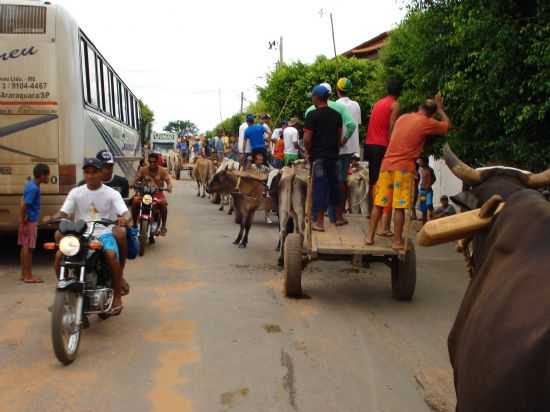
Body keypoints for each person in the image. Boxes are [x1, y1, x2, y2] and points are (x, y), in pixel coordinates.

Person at [366, 94, 451, 250]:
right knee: (399, 206)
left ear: (419, 107)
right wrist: (440, 109)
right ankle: (397, 241)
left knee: (379, 204)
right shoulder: (427, 122)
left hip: (387, 164)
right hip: (404, 168)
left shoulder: (403, 117)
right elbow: (447, 125)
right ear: (432, 113)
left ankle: (369, 237)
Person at [48, 158, 130, 315]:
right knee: (59, 255)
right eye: (87, 172)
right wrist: (54, 217)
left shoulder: (111, 193)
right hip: (81, 234)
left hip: (103, 233)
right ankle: (63, 295)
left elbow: (125, 212)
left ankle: (117, 296)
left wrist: (124, 218)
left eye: (94, 172)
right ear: (84, 174)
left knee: (111, 255)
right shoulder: (76, 192)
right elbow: (64, 212)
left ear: (101, 173)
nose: (91, 175)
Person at [303, 84, 344, 231]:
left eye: (312, 97)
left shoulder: (312, 115)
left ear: (316, 98)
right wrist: (335, 150)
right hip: (333, 157)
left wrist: (308, 152)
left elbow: (307, 139)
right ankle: (338, 218)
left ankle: (319, 223)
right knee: (335, 186)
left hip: (319, 157)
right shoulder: (337, 115)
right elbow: (339, 138)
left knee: (320, 188)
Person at [365, 79, 402, 229]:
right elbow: (392, 125)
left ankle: (371, 214)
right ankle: (383, 223)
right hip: (382, 145)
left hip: (370, 143)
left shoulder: (378, 103)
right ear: (400, 92)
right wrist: (394, 146)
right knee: (385, 182)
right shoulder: (395, 104)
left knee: (373, 181)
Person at [332, 77, 361, 222]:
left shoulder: (335, 105)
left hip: (339, 147)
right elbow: (357, 124)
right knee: (342, 179)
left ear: (337, 91)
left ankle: (337, 213)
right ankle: (340, 211)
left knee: (339, 179)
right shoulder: (356, 105)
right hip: (351, 148)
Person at [18, 163, 50, 284]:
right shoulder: (34, 188)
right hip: (29, 222)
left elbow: (22, 200)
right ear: (42, 176)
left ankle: (23, 274)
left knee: (24, 246)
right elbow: (24, 204)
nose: (48, 178)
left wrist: (21, 219)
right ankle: (28, 276)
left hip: (26, 221)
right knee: (29, 248)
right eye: (47, 176)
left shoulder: (30, 184)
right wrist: (23, 218)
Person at [131, 152, 173, 235]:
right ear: (148, 161)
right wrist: (134, 183)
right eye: (150, 162)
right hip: (144, 193)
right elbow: (136, 178)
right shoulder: (143, 169)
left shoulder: (162, 171)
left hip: (157, 194)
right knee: (135, 202)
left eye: (154, 162)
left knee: (163, 204)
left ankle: (163, 226)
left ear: (158, 162)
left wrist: (169, 187)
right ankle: (135, 224)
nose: (152, 164)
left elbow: (168, 181)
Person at [418, 157, 436, 225]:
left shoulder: (430, 170)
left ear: (425, 162)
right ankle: (424, 223)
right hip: (422, 191)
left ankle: (432, 216)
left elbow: (434, 178)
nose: (419, 163)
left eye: (421, 161)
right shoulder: (421, 170)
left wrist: (429, 185)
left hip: (428, 191)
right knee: (423, 208)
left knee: (429, 204)